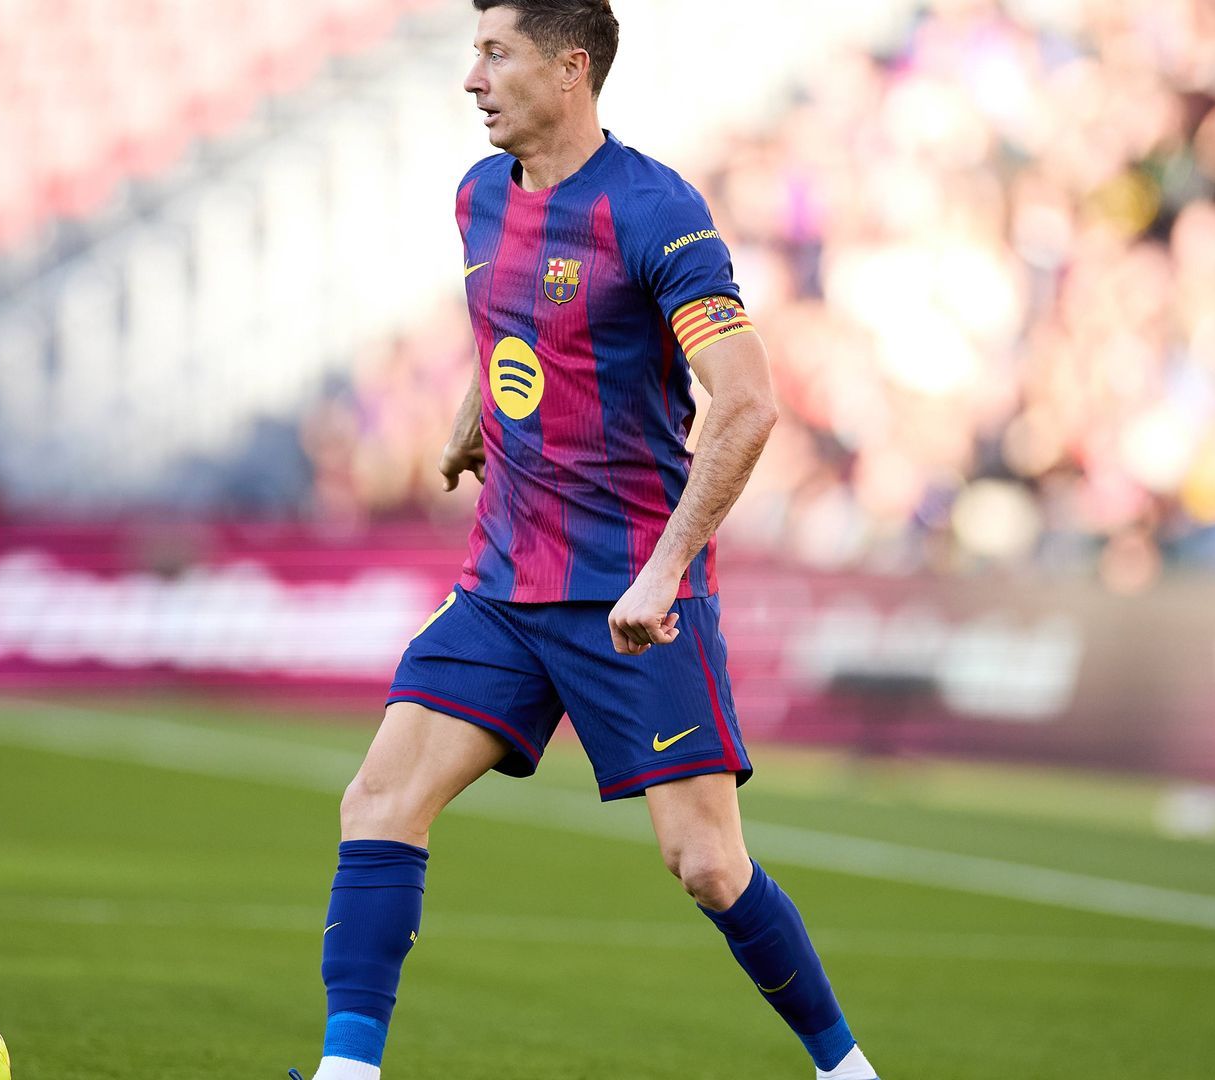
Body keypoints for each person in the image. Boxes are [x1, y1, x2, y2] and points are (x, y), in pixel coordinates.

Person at [291, 2, 878, 1078]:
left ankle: (847, 1070)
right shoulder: (477, 199)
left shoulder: (655, 210)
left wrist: (664, 571)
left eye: (495, 53)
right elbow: (516, 328)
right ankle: (347, 1072)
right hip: (504, 585)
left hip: (633, 600)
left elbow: (747, 405)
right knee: (380, 798)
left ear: (570, 70)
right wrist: (479, 417)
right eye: (473, 53)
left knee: (704, 864)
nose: (472, 78)